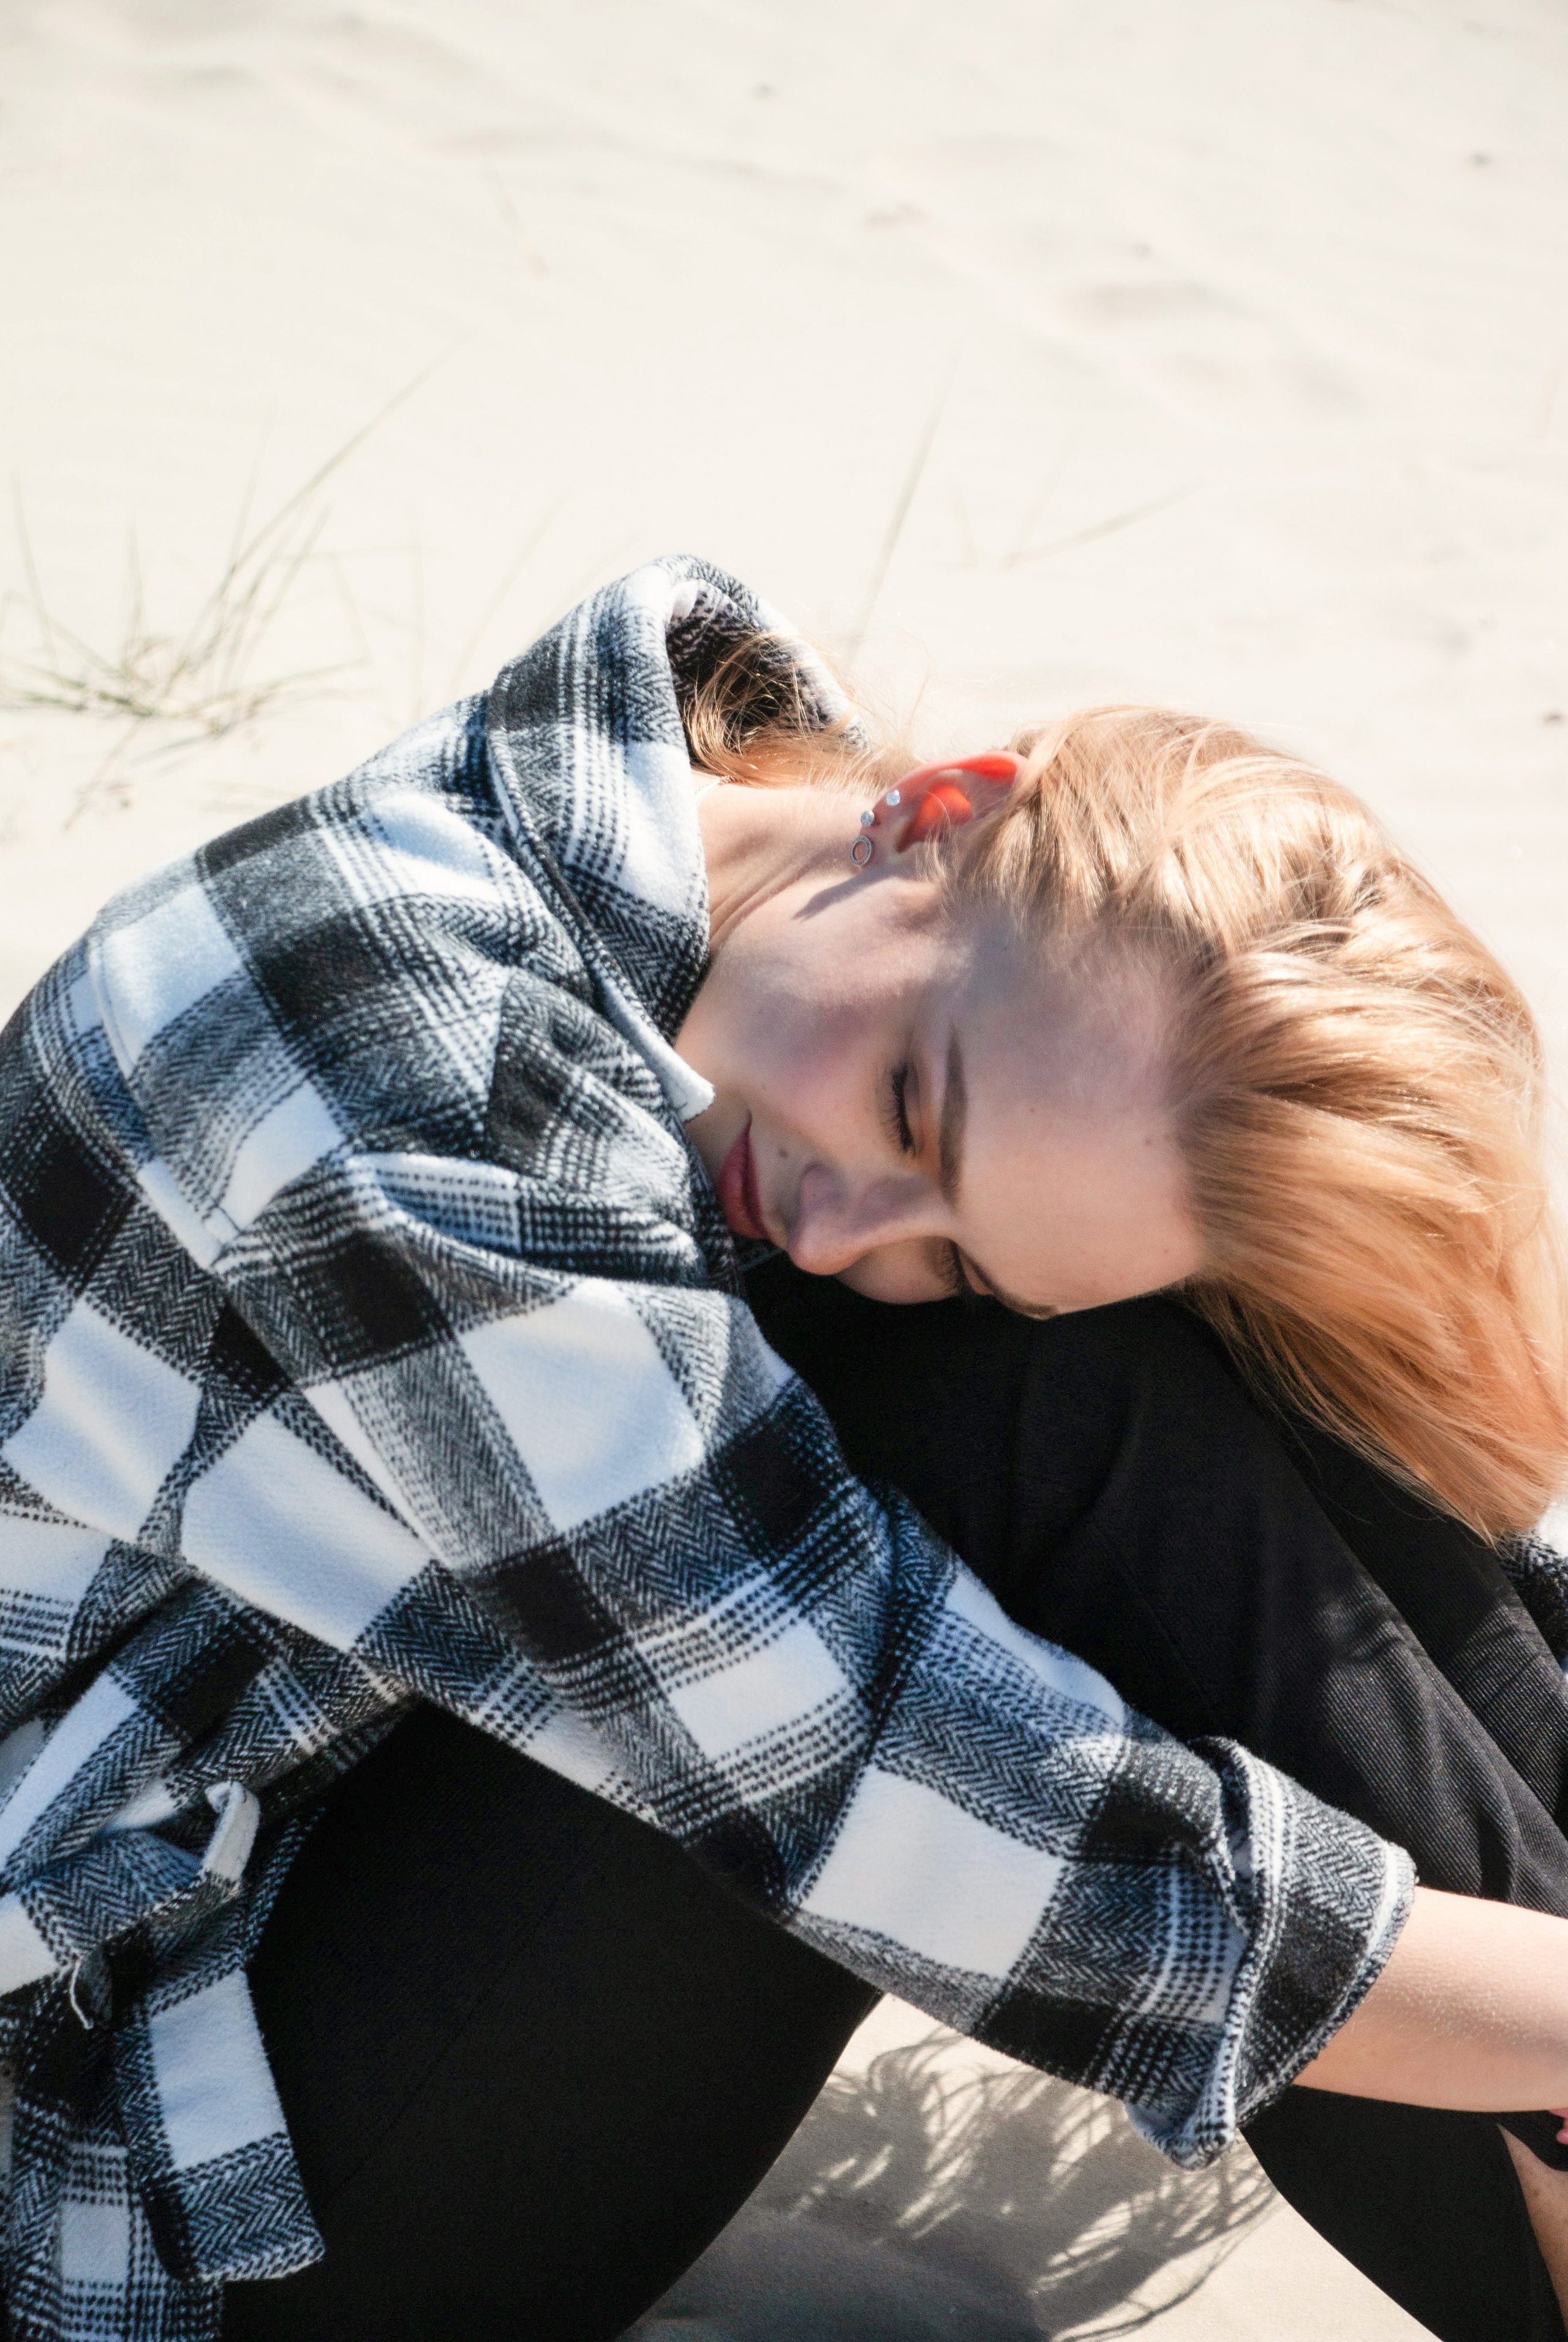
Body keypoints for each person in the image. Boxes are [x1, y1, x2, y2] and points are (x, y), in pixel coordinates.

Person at [0, 556, 1565, 2342]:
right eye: (911, 1100)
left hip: (327, 1837)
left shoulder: (707, 873)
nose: (838, 1227)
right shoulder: (395, 1042)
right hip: (142, 2171)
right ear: (947, 812)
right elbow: (875, 1787)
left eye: (941, 1221)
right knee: (999, 1403)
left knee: (1096, 1343)